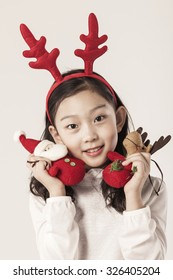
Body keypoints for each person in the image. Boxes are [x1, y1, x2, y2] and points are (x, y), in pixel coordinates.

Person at [26, 69, 167, 260]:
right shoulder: (44, 190)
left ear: (118, 119)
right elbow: (54, 266)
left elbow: (151, 268)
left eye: (99, 118)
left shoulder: (150, 186)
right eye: (72, 126)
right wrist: (57, 194)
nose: (90, 135)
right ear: (57, 134)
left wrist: (133, 195)